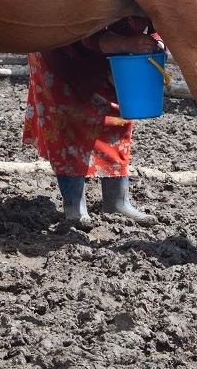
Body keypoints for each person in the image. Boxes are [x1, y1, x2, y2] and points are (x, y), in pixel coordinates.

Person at [22, 17, 164, 227]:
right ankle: (74, 208)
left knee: (118, 119)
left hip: (115, 56)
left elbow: (161, 24)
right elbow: (86, 33)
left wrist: (156, 42)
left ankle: (117, 202)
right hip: (63, 48)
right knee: (67, 123)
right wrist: (127, 44)